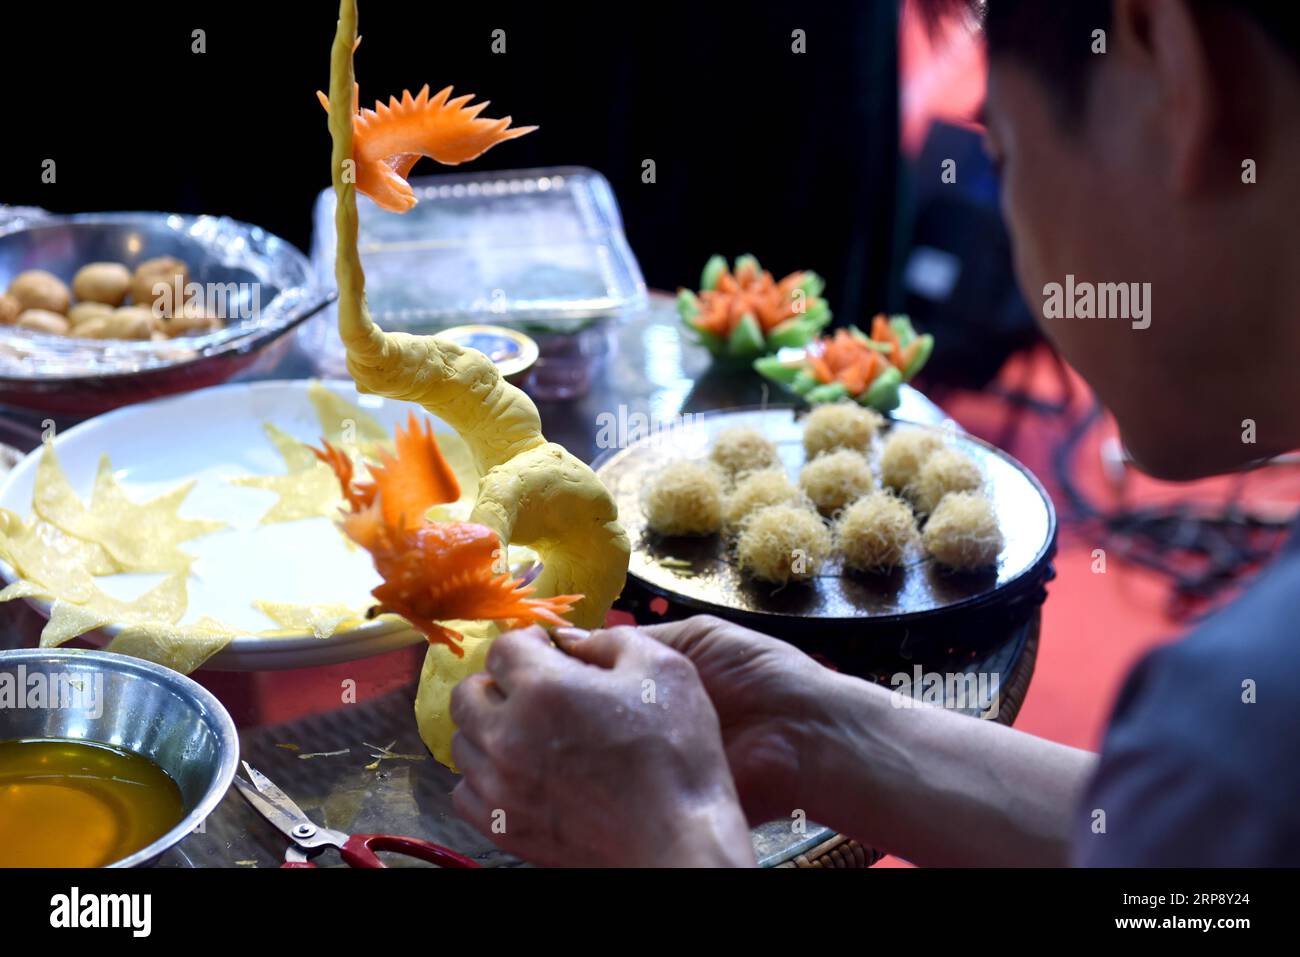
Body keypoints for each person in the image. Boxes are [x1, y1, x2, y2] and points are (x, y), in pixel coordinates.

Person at [449, 0, 1300, 867]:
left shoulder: (1247, 721)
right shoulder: (1234, 762)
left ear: (1172, 66)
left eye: (1000, 149)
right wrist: (807, 727)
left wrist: (669, 837)